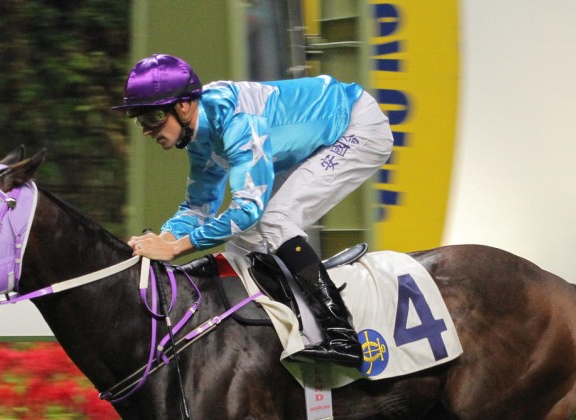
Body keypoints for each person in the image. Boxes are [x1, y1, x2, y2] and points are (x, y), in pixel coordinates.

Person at [115, 53, 393, 367]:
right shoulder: (198, 134)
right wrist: (163, 240)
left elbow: (248, 208)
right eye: (140, 120)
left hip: (357, 127)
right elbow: (197, 208)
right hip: (315, 139)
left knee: (275, 219)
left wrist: (177, 248)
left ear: (183, 106)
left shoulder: (236, 120)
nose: (146, 130)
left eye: (152, 118)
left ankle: (341, 336)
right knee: (242, 244)